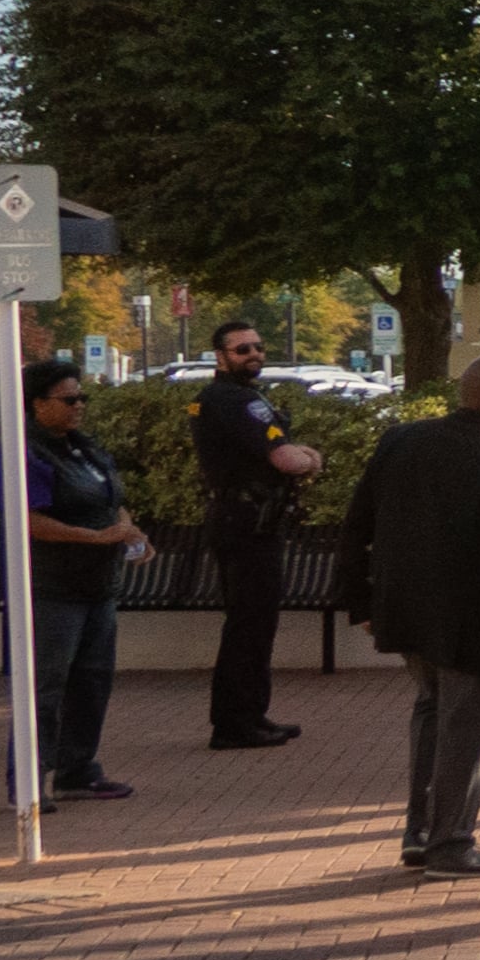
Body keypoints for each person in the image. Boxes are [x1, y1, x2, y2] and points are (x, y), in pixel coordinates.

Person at [337, 351, 480, 875]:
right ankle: (450, 844)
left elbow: (355, 524)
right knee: (463, 730)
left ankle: (421, 832)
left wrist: (361, 602)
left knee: (434, 715)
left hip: (406, 613)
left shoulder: (402, 440)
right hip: (476, 622)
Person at [15, 358, 144, 805]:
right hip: (54, 588)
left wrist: (129, 532)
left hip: (97, 587)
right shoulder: (23, 452)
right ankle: (28, 781)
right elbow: (27, 520)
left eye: (81, 398)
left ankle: (77, 770)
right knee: (47, 686)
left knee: (92, 681)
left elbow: (114, 500)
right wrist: (94, 537)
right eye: (69, 400)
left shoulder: (82, 447)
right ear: (37, 404)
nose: (78, 407)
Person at [190, 320, 322, 749]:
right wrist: (310, 458)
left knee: (252, 623)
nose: (254, 354)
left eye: (258, 347)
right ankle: (235, 723)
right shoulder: (237, 400)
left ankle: (249, 715)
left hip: (241, 521)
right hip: (247, 524)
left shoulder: (225, 397)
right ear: (221, 356)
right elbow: (285, 459)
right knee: (250, 624)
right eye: (242, 349)